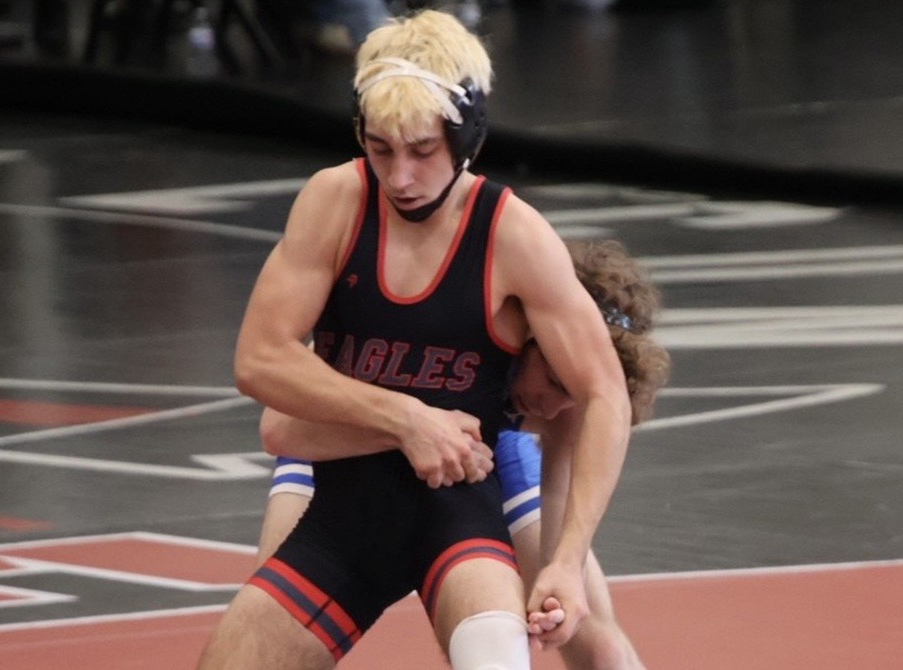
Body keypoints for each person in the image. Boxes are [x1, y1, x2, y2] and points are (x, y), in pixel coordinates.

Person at [198, 10, 631, 670]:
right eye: (380, 150)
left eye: (422, 152)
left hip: (460, 506)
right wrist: (408, 420)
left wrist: (567, 561)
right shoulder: (334, 202)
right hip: (346, 505)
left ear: (468, 138)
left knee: (516, 650)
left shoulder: (513, 237)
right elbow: (259, 364)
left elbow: (600, 395)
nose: (399, 177)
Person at [256, 238, 671, 669]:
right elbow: (279, 429)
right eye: (552, 380)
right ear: (532, 329)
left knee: (593, 638)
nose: (552, 406)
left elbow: (558, 488)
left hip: (480, 451)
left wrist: (561, 570)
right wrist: (411, 429)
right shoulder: (441, 315)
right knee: (277, 637)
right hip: (346, 441)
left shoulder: (575, 378)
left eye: (570, 393)